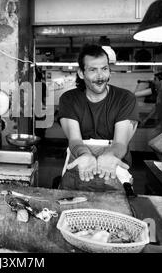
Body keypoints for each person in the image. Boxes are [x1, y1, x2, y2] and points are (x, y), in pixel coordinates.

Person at [56, 44, 139, 192]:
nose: (100, 76)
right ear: (81, 73)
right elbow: (74, 140)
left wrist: (110, 154)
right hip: (79, 167)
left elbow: (120, 142)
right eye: (93, 70)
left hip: (113, 169)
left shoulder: (125, 99)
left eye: (104, 69)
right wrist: (85, 154)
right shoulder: (69, 99)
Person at [141, 72, 162, 160]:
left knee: (154, 143)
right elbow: (156, 108)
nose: (153, 81)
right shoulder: (159, 93)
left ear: (161, 81)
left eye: (155, 79)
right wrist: (146, 119)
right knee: (158, 145)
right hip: (159, 123)